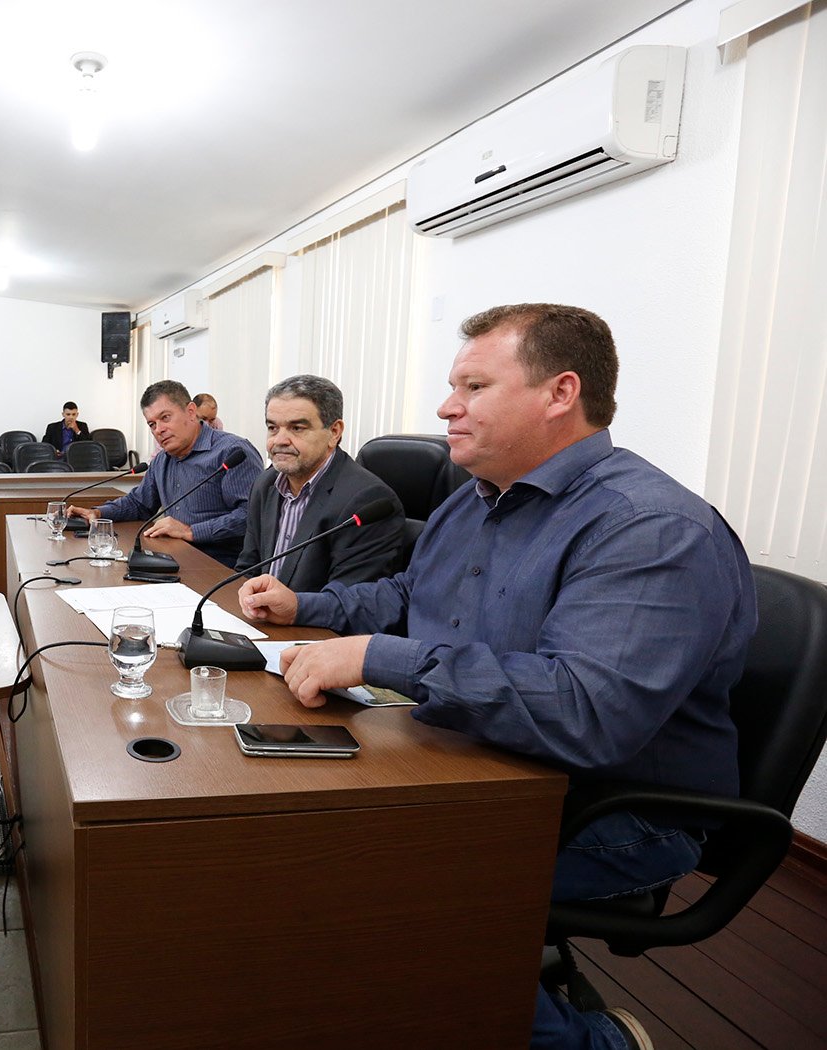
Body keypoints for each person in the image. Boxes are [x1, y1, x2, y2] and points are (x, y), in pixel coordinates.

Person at [238, 305, 756, 1050]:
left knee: (366, 889)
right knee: (307, 845)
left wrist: (379, 658)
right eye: (453, 386)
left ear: (559, 393)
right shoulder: (471, 500)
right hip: (480, 765)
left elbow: (586, 711)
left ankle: (595, 1043)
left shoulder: (649, 527)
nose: (446, 406)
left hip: (614, 811)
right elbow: (412, 599)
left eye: (473, 386)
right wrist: (308, 604)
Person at [234, 375, 405, 590]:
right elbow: (248, 567)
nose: (279, 440)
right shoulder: (266, 484)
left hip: (311, 622)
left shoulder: (366, 501)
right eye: (272, 428)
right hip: (256, 617)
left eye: (297, 428)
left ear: (334, 432)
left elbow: (348, 601)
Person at [68, 380, 261, 567]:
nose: (159, 430)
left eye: (165, 418)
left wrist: (191, 531)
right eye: (152, 424)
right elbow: (139, 503)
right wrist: (98, 512)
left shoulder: (232, 452)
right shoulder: (163, 459)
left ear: (191, 412)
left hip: (220, 568)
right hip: (175, 558)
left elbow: (250, 516)